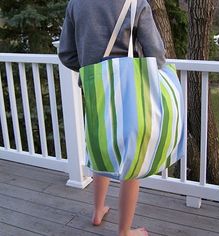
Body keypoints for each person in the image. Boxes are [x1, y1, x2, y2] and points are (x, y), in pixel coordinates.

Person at [59, 0, 166, 235]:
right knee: (132, 160)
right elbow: (157, 56)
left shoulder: (76, 3)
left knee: (102, 148)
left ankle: (98, 212)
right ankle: (125, 232)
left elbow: (66, 54)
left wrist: (93, 70)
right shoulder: (136, 2)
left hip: (94, 92)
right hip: (130, 93)